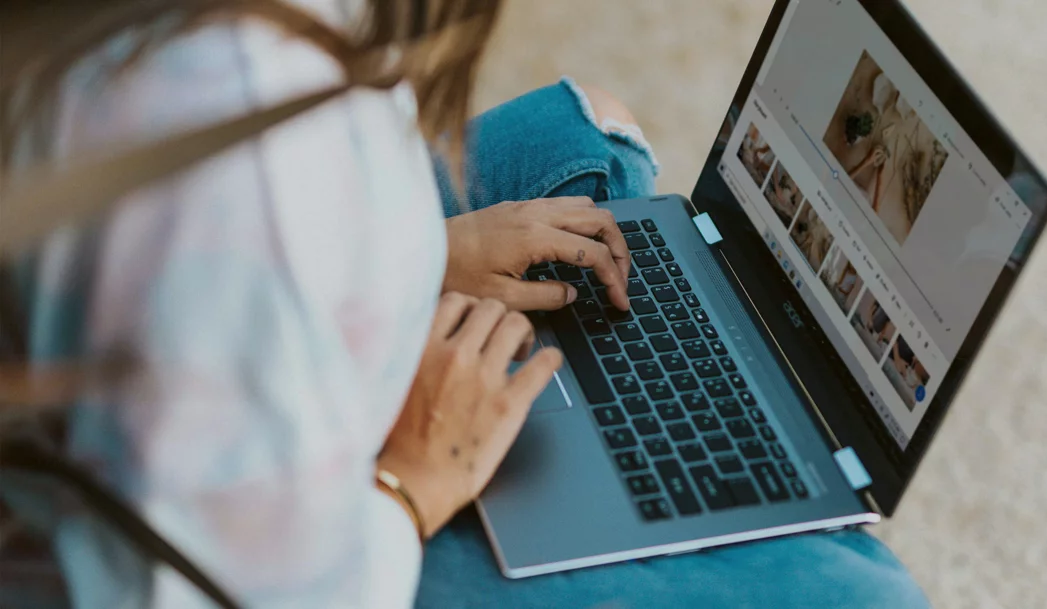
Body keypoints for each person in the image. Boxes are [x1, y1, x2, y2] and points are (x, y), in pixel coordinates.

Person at [0, 1, 930, 607]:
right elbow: (218, 584)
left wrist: (414, 259)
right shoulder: (250, 167)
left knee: (586, 137)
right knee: (860, 595)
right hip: (312, 542)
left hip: (254, 342)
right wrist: (413, 480)